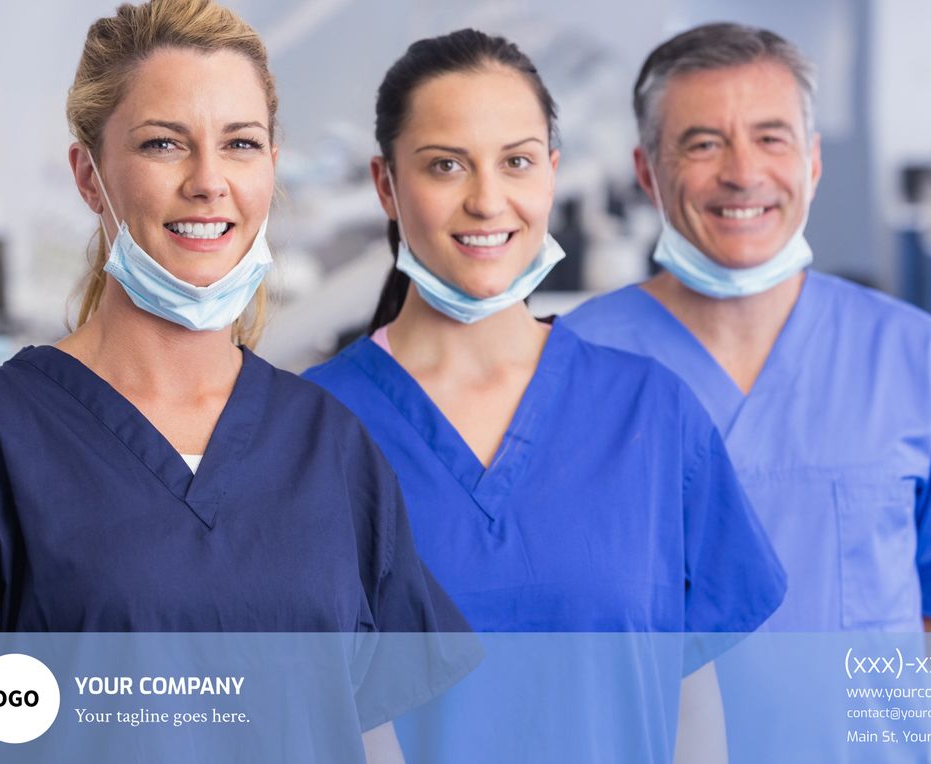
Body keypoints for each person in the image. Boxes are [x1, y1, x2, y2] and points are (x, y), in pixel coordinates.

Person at [0, 0, 474, 758]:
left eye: (240, 144)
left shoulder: (328, 444)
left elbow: (370, 726)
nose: (208, 181)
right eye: (164, 144)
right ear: (89, 176)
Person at [302, 29, 786, 763]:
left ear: (551, 175)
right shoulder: (310, 433)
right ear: (386, 185)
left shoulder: (651, 414)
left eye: (517, 162)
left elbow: (692, 708)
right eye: (445, 166)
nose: (487, 199)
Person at [563, 22, 931, 761]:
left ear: (811, 161)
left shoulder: (918, 360)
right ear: (647, 171)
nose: (743, 173)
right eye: (703, 143)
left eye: (771, 139)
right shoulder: (571, 362)